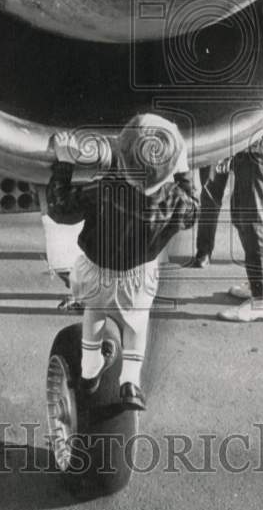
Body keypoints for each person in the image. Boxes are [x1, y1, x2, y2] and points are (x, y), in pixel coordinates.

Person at [46, 113, 198, 411]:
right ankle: (130, 381)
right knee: (137, 324)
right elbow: (193, 211)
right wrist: (183, 172)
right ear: (169, 170)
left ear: (121, 159)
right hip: (139, 277)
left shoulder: (103, 190)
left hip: (95, 272)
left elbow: (59, 207)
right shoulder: (176, 202)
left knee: (94, 311)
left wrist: (64, 162)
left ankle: (90, 369)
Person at [190, 134, 263, 323]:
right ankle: (256, 286)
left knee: (251, 218)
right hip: (246, 145)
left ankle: (262, 300)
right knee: (241, 214)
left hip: (256, 144)